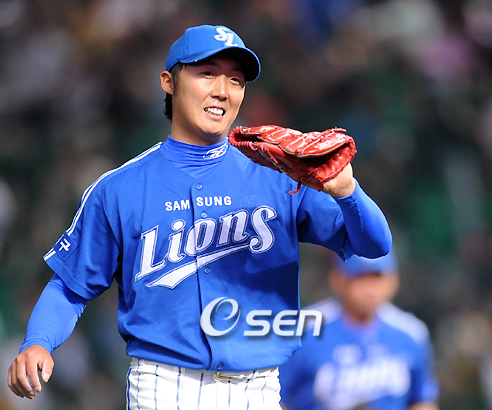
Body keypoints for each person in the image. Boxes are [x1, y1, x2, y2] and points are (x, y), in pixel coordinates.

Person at [7, 24, 392, 409]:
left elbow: (374, 245)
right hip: (164, 385)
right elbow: (70, 286)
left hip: (258, 389)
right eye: (207, 73)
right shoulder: (120, 188)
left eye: (236, 80)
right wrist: (38, 342)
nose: (222, 90)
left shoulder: (279, 176)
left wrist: (347, 191)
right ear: (168, 82)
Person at [279, 252, 439, 410]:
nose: (369, 288)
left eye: (376, 277)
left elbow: (422, 401)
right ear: (337, 279)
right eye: (359, 277)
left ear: (393, 280)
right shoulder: (305, 330)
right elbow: (276, 399)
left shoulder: (411, 331)